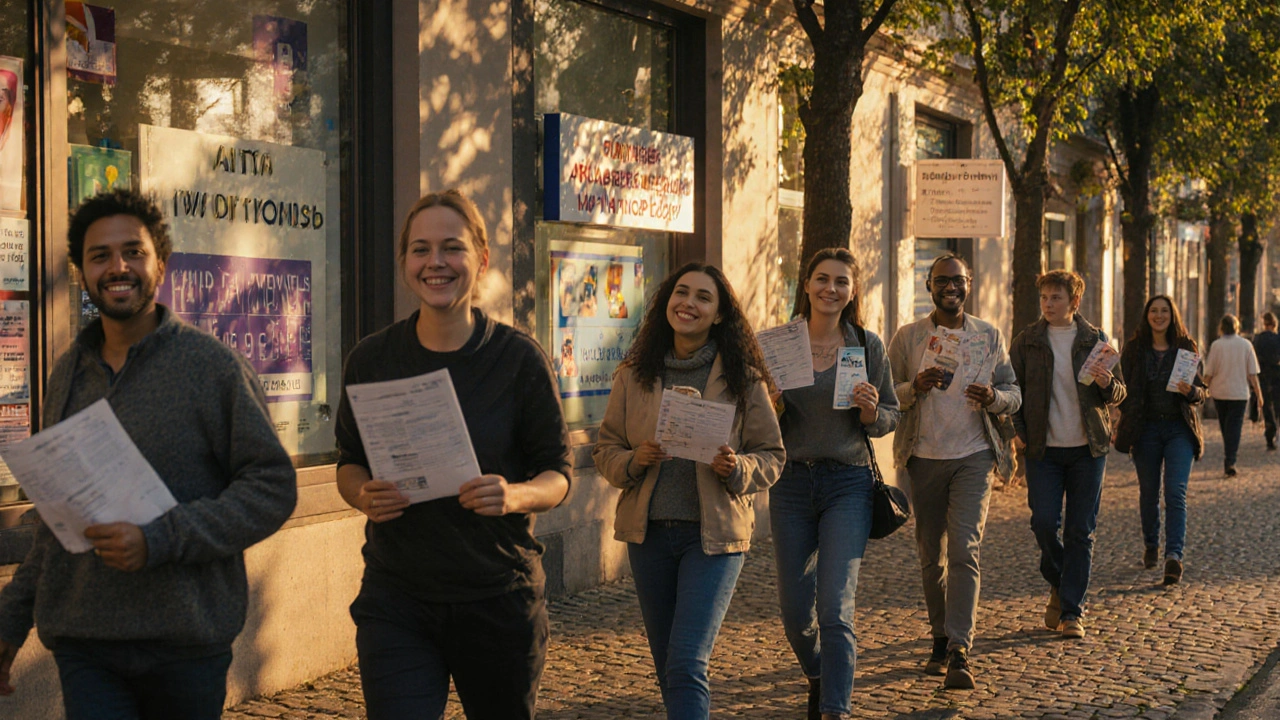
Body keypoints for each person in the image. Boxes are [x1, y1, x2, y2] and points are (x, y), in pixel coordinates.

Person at [0, 188, 297, 717]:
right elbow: (54, 521)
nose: (119, 267)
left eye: (134, 251)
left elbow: (271, 488)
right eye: (100, 256)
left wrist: (160, 538)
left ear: (161, 265)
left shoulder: (213, 367)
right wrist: (8, 623)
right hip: (85, 640)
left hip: (186, 643)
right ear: (82, 272)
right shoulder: (67, 373)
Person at [335, 189, 571, 719]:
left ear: (481, 259)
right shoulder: (371, 359)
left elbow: (558, 474)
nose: (435, 263)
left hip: (498, 598)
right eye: (420, 250)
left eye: (452, 248)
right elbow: (349, 460)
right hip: (398, 598)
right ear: (404, 263)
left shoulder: (518, 360)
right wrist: (362, 494)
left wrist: (514, 495)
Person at [593, 262, 784, 719]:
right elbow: (605, 450)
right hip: (650, 536)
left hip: (714, 539)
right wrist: (634, 459)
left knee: (686, 660)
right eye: (682, 293)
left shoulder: (745, 379)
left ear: (719, 314)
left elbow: (772, 455)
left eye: (703, 297)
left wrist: (737, 467)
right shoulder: (633, 374)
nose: (689, 304)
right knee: (667, 663)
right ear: (666, 304)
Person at [768, 248, 900, 720]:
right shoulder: (779, 344)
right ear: (806, 285)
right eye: (822, 279)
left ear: (853, 290)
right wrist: (769, 403)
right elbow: (753, 422)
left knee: (835, 607)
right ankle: (818, 673)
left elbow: (889, 415)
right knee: (795, 613)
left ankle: (834, 709)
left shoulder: (866, 344)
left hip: (848, 484)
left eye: (841, 281)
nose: (830, 289)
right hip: (789, 484)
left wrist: (870, 411)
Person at [887, 254, 1021, 690]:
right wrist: (914, 387)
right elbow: (888, 397)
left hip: (974, 455)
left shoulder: (989, 334)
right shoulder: (908, 338)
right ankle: (940, 634)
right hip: (923, 457)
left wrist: (993, 398)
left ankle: (960, 649)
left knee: (966, 548)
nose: (951, 287)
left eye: (958, 280)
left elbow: (1014, 392)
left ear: (970, 284)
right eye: (942, 280)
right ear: (929, 286)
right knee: (932, 555)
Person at [1008, 271, 1125, 640]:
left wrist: (1108, 385)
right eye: (1044, 297)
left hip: (1088, 450)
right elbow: (1012, 390)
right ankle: (1061, 581)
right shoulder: (1027, 341)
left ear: (1074, 302)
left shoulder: (1095, 340)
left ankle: (1072, 611)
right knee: (1043, 523)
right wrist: (1020, 435)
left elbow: (1119, 392)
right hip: (1043, 450)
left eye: (1055, 297)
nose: (1047, 304)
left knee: (1080, 531)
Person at [1114, 296, 1206, 586]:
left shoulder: (1185, 347)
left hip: (1179, 429)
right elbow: (1121, 389)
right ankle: (1151, 544)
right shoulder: (1134, 350)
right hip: (1146, 431)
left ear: (1172, 315)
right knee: (1149, 493)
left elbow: (1201, 393)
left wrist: (1190, 391)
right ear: (1147, 316)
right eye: (1154, 311)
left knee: (1176, 492)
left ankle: (1173, 556)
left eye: (1164, 311)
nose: (1159, 315)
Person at [1203, 314, 1262, 476]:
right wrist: (1259, 394)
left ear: (1221, 327)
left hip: (1220, 392)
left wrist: (1202, 389)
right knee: (1234, 428)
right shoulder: (1246, 345)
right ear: (1237, 327)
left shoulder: (1216, 345)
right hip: (1239, 393)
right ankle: (1230, 459)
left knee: (1225, 426)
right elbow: (1252, 374)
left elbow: (1209, 372)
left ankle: (1229, 457)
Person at [1252, 312, 1280, 450]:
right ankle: (1275, 428)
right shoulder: (1278, 338)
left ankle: (1270, 433)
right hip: (1277, 376)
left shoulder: (1258, 339)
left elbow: (1254, 358)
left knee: (1267, 406)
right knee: (1277, 405)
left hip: (1262, 376)